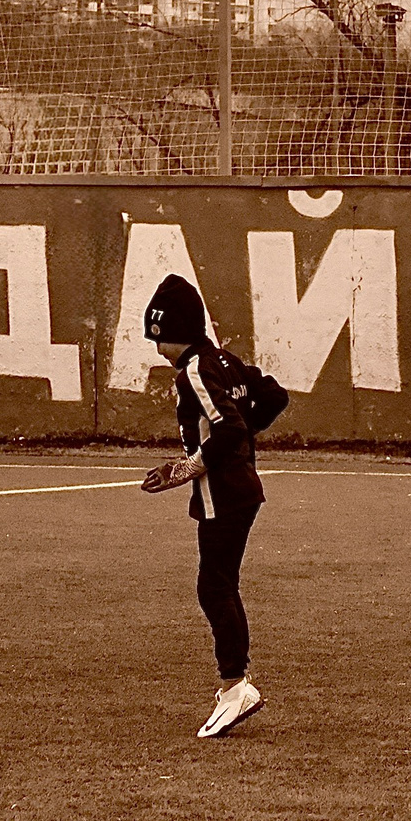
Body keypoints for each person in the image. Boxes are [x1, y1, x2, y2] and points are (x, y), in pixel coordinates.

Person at [141, 273, 266, 738]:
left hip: (224, 493)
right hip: (242, 487)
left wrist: (183, 470)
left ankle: (236, 687)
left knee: (214, 586)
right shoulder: (223, 360)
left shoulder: (194, 369)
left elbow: (228, 429)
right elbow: (271, 396)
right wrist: (239, 445)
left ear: (170, 329)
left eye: (157, 336)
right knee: (219, 583)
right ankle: (236, 684)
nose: (156, 347)